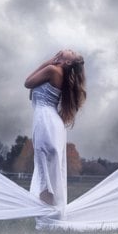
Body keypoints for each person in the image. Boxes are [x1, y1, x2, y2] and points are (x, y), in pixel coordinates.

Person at [24, 49, 87, 216]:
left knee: (46, 173)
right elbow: (33, 94)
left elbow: (28, 83)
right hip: (52, 124)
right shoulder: (61, 74)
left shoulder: (53, 70)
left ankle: (47, 218)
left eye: (71, 52)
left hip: (46, 122)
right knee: (50, 172)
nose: (68, 49)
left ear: (66, 62)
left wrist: (50, 61)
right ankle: (51, 215)